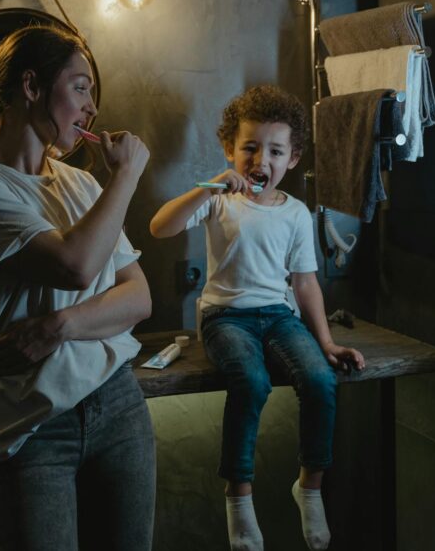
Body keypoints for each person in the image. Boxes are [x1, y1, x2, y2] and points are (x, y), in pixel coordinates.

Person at [0, 25, 155, 551]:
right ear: (31, 86)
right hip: (30, 429)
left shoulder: (80, 183)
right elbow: (74, 266)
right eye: (80, 87)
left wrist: (59, 326)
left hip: (118, 405)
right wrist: (126, 178)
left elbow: (140, 297)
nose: (91, 106)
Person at [149, 84, 365, 551]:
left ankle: (309, 487)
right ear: (230, 148)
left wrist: (325, 343)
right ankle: (239, 498)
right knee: (250, 381)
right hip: (224, 318)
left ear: (292, 159)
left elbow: (305, 282)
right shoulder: (220, 199)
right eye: (249, 147)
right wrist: (207, 186)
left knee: (321, 381)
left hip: (279, 317)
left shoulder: (295, 214)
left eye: (274, 150)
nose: (259, 159)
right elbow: (159, 226)